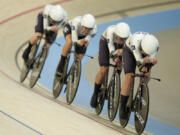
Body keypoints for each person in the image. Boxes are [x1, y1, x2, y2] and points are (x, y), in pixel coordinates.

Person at [119, 32, 159, 119]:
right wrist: (145, 60)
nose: (145, 54)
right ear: (142, 47)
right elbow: (138, 61)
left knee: (146, 74)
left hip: (143, 53)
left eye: (147, 53)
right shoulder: (135, 42)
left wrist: (150, 64)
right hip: (129, 51)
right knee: (130, 77)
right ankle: (122, 107)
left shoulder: (155, 45)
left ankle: (140, 93)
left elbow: (148, 62)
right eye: (144, 52)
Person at [90, 22, 131, 108]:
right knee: (104, 69)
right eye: (121, 38)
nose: (122, 40)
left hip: (119, 47)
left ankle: (115, 79)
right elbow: (111, 49)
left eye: (124, 38)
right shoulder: (111, 32)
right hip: (106, 42)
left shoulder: (129, 37)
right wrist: (116, 53)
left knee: (120, 63)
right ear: (117, 34)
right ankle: (95, 93)